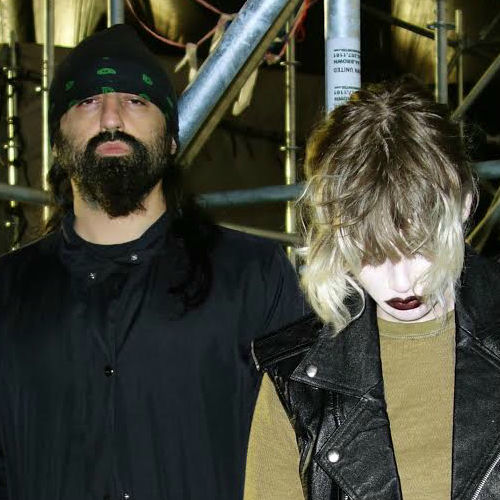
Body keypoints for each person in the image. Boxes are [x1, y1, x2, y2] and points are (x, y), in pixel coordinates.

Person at [0, 24, 306, 500]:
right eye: (88, 101)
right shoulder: (8, 292)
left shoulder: (256, 277)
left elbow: (314, 444)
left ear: (171, 140)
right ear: (57, 141)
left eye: (136, 100)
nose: (111, 118)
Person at [251, 78, 500, 499]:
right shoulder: (297, 383)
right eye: (370, 253)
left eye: (420, 246)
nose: (401, 282)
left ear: (463, 206)